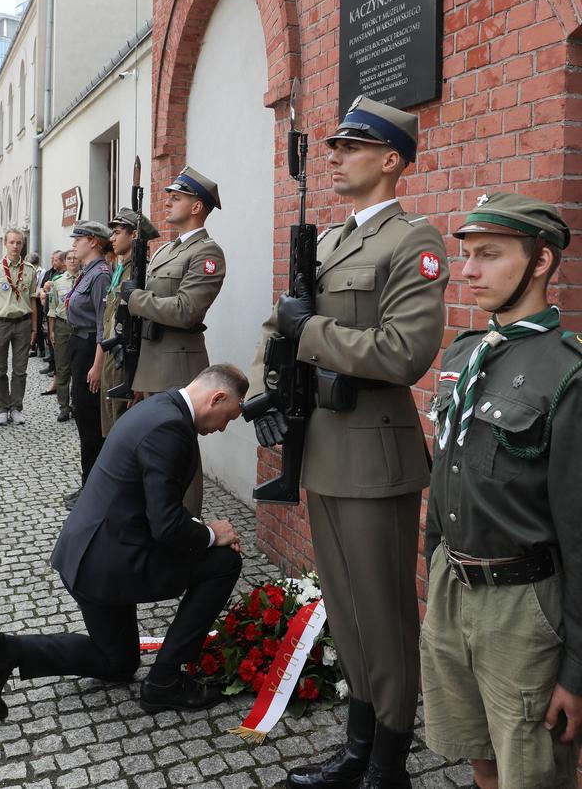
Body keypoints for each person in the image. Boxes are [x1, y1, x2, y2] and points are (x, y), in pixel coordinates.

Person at [247, 95, 449, 789]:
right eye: (334, 146)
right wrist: (266, 388)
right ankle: (357, 750)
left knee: (384, 614)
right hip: (326, 453)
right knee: (347, 608)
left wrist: (307, 333)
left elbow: (402, 353)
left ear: (391, 161)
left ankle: (388, 765)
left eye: (351, 147)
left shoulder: (411, 242)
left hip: (375, 458)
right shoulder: (328, 242)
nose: (335, 156)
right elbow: (279, 330)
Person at [0, 363, 247, 720]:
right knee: (224, 563)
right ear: (218, 397)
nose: (224, 427)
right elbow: (165, 525)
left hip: (86, 558)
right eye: (229, 416)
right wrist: (212, 535)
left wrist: (200, 529)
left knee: (118, 662)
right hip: (112, 563)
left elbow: (147, 503)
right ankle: (165, 682)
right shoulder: (171, 428)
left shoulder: (157, 407)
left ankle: (6, 653)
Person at [420, 193, 582, 789]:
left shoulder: (566, 372)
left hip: (522, 607)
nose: (467, 270)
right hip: (452, 588)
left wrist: (577, 670)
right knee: (478, 754)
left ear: (540, 262)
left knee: (533, 772)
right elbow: (446, 469)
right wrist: (435, 559)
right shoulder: (464, 352)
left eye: (489, 255)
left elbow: (580, 533)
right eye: (467, 254)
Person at [122, 165, 226, 517]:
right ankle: (159, 523)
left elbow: (186, 310)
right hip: (152, 365)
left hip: (177, 367)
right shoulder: (166, 250)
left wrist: (134, 300)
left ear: (197, 206)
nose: (168, 202)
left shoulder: (207, 254)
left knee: (179, 454)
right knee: (154, 453)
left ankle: (187, 526)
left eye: (176, 197)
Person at [64, 221, 112, 509]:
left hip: (90, 351)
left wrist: (97, 367)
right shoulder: (88, 273)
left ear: (93, 241)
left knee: (91, 423)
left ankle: (94, 491)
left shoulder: (100, 276)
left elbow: (102, 326)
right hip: (79, 346)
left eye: (78, 239)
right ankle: (88, 485)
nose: (74, 244)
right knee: (83, 419)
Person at [100, 208, 158, 437]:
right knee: (112, 426)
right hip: (113, 356)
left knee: (123, 431)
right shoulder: (121, 269)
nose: (111, 238)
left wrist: (137, 378)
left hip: (125, 361)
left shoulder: (140, 273)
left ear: (134, 236)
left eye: (116, 232)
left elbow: (142, 326)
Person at [0, 229, 37, 427]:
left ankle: (16, 408)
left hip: (22, 323)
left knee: (20, 370)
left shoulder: (30, 270)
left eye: (19, 243)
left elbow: (32, 302)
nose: (16, 246)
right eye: (12, 242)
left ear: (23, 245)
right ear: (5, 243)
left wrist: (34, 330)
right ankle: (1, 409)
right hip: (0, 323)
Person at [47, 250, 79, 423]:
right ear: (65, 262)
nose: (72, 260)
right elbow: (52, 309)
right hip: (62, 326)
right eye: (69, 258)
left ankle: (76, 405)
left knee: (79, 368)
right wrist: (51, 331)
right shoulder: (57, 282)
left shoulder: (85, 279)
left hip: (80, 327)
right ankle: (63, 407)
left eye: (75, 257)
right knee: (62, 367)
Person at [36, 250, 65, 377]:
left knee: (56, 340)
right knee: (50, 338)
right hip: (48, 309)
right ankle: (52, 365)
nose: (52, 262)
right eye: (51, 259)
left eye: (55, 260)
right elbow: (43, 288)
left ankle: (56, 368)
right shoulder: (50, 272)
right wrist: (43, 292)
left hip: (59, 311)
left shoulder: (64, 274)